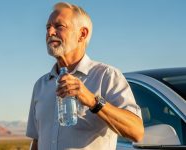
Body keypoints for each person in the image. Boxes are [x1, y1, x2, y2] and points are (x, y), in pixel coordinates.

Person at [26, 2, 144, 150]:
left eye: (59, 26)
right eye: (47, 27)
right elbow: (37, 141)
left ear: (82, 34)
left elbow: (137, 131)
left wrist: (93, 101)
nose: (50, 32)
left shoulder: (106, 76)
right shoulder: (41, 85)